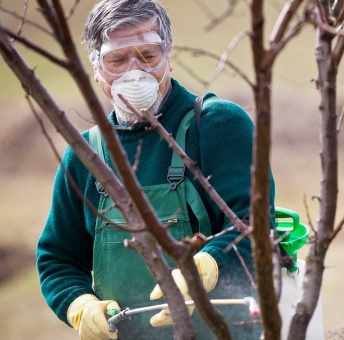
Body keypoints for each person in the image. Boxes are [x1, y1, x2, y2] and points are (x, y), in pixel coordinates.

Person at [35, 0, 275, 339]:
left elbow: (255, 225)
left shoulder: (218, 125)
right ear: (96, 69)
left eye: (148, 56)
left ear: (169, 57)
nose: (136, 72)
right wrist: (78, 304)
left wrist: (207, 265)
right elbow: (57, 259)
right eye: (117, 60)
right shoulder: (85, 156)